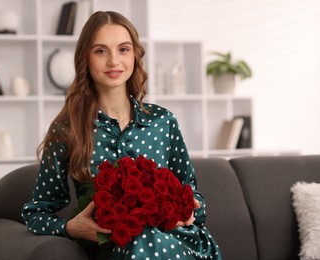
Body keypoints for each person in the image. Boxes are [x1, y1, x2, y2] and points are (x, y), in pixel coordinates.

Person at [22, 11, 221, 259]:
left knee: (146, 239)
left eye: (123, 49)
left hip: (177, 244)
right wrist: (70, 227)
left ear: (135, 56)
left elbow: (194, 198)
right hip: (114, 250)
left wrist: (188, 212)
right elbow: (36, 214)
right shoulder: (67, 130)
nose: (114, 61)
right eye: (101, 51)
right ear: (86, 58)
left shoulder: (163, 122)